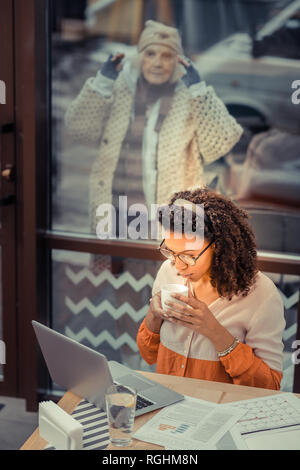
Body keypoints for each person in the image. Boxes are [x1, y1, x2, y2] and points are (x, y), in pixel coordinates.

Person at [65, 20, 243, 238]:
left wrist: (199, 90)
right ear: (139, 58)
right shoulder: (119, 90)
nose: (157, 63)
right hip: (114, 209)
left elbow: (222, 140)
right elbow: (78, 130)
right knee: (113, 269)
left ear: (178, 62)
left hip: (169, 217)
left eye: (167, 56)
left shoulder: (188, 97)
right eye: (150, 54)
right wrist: (102, 83)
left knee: (163, 269)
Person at [136, 188, 285, 390]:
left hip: (221, 414)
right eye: (170, 252)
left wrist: (214, 332)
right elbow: (148, 355)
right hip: (169, 409)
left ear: (218, 246)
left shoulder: (261, 295)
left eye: (189, 255)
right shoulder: (168, 272)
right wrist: (154, 315)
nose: (179, 266)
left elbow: (269, 386)